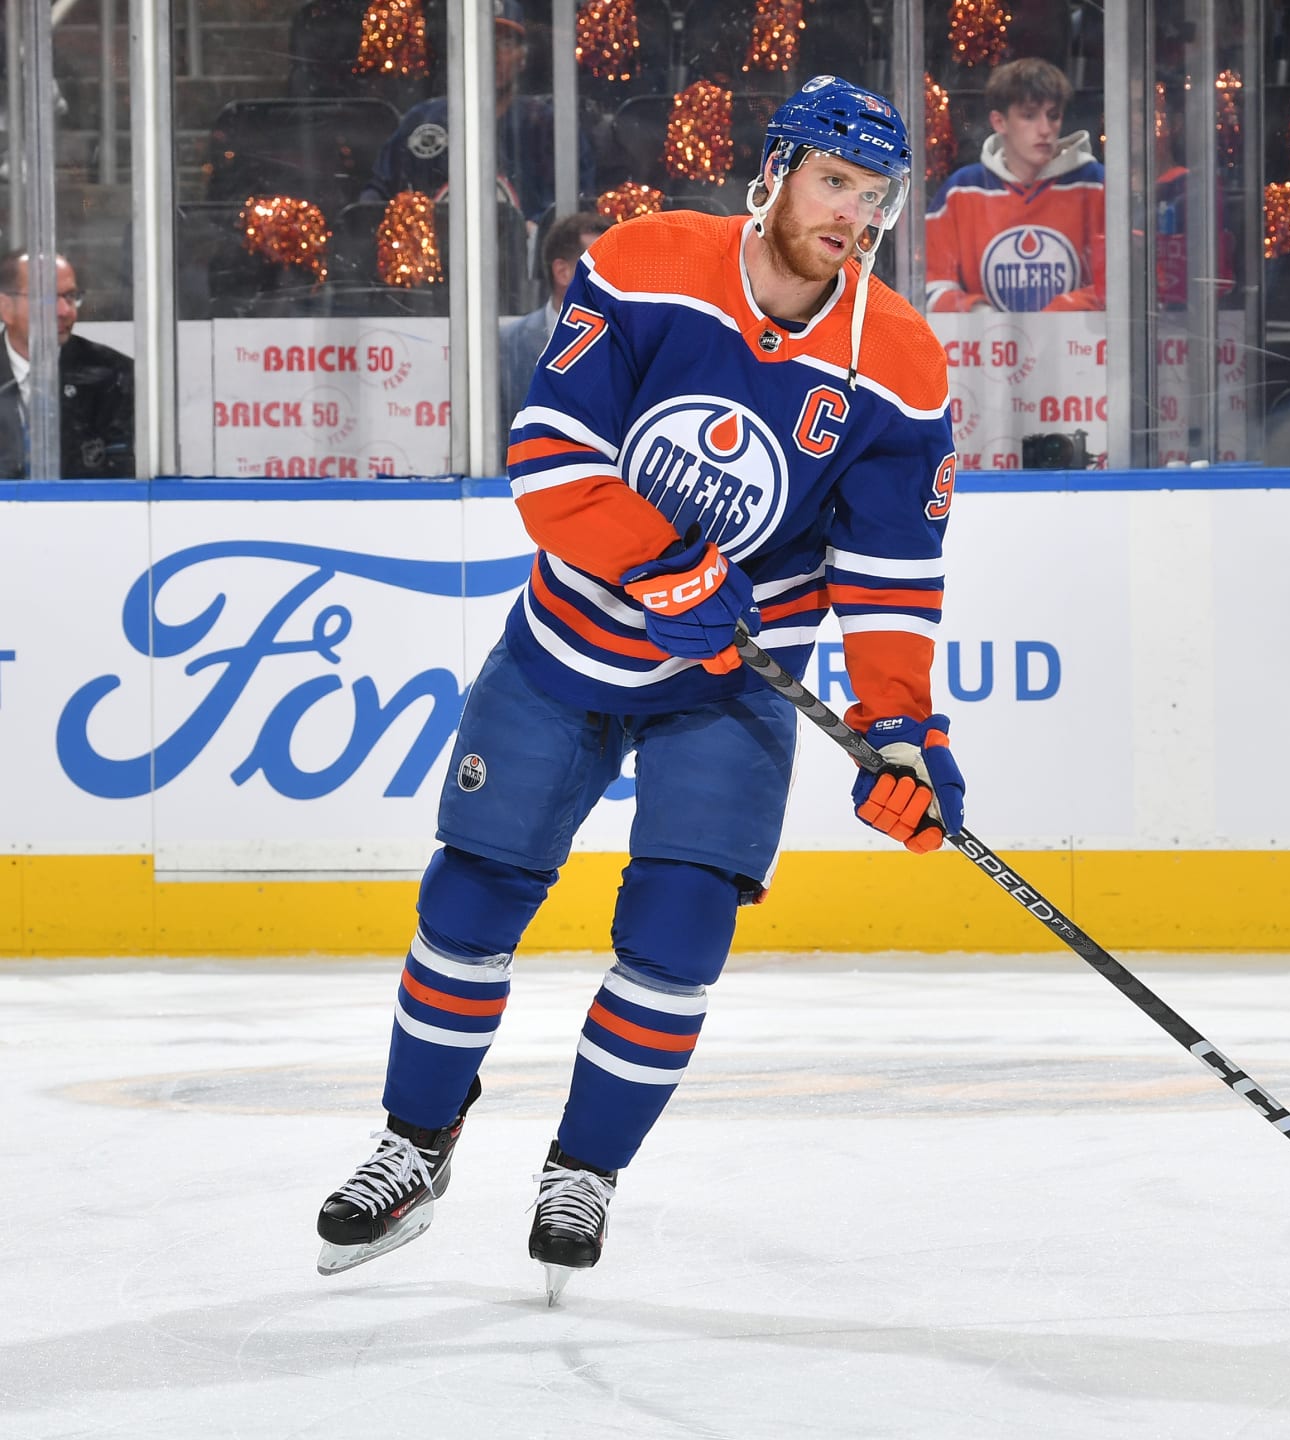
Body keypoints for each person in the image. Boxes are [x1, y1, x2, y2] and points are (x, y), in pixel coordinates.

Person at [315, 75, 964, 1303]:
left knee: (678, 937)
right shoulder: (646, 264)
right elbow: (549, 454)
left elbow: (890, 572)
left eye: (874, 200)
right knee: (470, 900)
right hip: (568, 642)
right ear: (773, 172)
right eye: (834, 183)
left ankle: (584, 1172)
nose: (852, 217)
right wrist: (665, 562)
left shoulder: (902, 365)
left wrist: (900, 730)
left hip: (730, 684)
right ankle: (414, 1145)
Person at [361, 0, 599, 227]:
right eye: (482, 41)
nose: (493, 54)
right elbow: (377, 196)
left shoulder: (550, 126)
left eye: (505, 44)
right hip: (432, 265)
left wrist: (536, 231)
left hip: (531, 265)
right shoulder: (422, 121)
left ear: (523, 58)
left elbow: (578, 206)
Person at [924, 57, 1104, 312]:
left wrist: (1064, 314)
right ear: (999, 122)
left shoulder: (1096, 184)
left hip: (1079, 348)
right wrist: (979, 315)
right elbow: (929, 285)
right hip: (986, 348)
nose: (1045, 129)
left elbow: (1122, 283)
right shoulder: (961, 191)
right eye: (1029, 116)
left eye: (1053, 116)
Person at [0, 250, 134, 479]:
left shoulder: (112, 374)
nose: (65, 311)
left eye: (71, 296)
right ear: (5, 307)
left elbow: (125, 477)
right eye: (46, 298)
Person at [499, 211, 610, 433]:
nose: (614, 275)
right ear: (562, 272)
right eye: (602, 265)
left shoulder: (635, 343)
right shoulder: (508, 345)